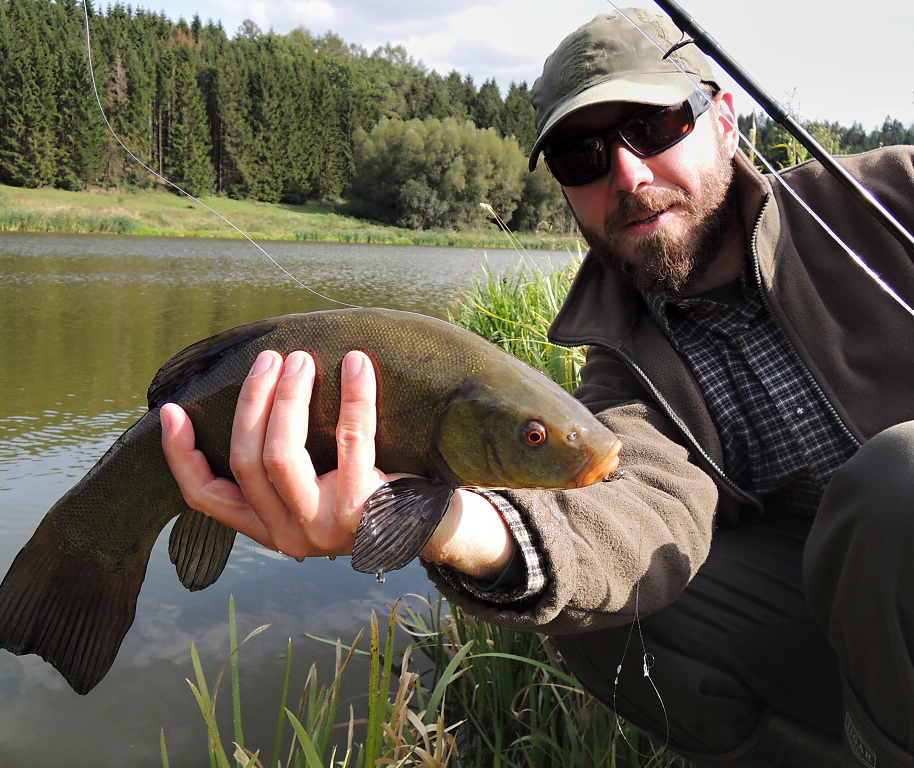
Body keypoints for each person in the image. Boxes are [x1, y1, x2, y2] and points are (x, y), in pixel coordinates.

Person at [160, 8, 914, 767]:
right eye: (580, 155)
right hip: (841, 628)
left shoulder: (891, 198)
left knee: (898, 479)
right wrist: (456, 527)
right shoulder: (620, 366)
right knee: (603, 618)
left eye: (653, 126)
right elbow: (632, 512)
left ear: (722, 117)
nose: (626, 173)